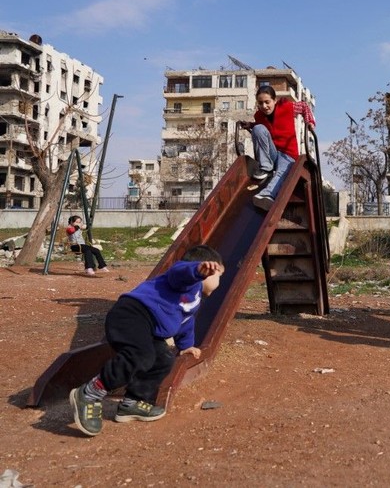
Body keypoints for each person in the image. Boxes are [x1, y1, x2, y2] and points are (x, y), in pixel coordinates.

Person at [69, 245, 224, 437]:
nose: (219, 282)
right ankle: (90, 392)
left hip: (149, 329)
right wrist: (195, 271)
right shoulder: (186, 281)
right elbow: (178, 272)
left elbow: (186, 322)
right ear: (207, 272)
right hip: (131, 315)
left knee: (163, 360)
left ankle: (132, 402)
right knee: (141, 355)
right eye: (218, 276)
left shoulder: (195, 299)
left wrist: (185, 346)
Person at [238, 85, 315, 211]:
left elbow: (304, 107)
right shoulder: (259, 116)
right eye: (261, 103)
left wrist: (310, 122)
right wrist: (251, 125)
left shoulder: (287, 107)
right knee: (258, 129)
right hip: (272, 154)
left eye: (267, 102)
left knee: (282, 172)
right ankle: (266, 168)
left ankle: (267, 195)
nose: (264, 106)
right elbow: (263, 130)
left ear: (274, 100)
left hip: (288, 153)